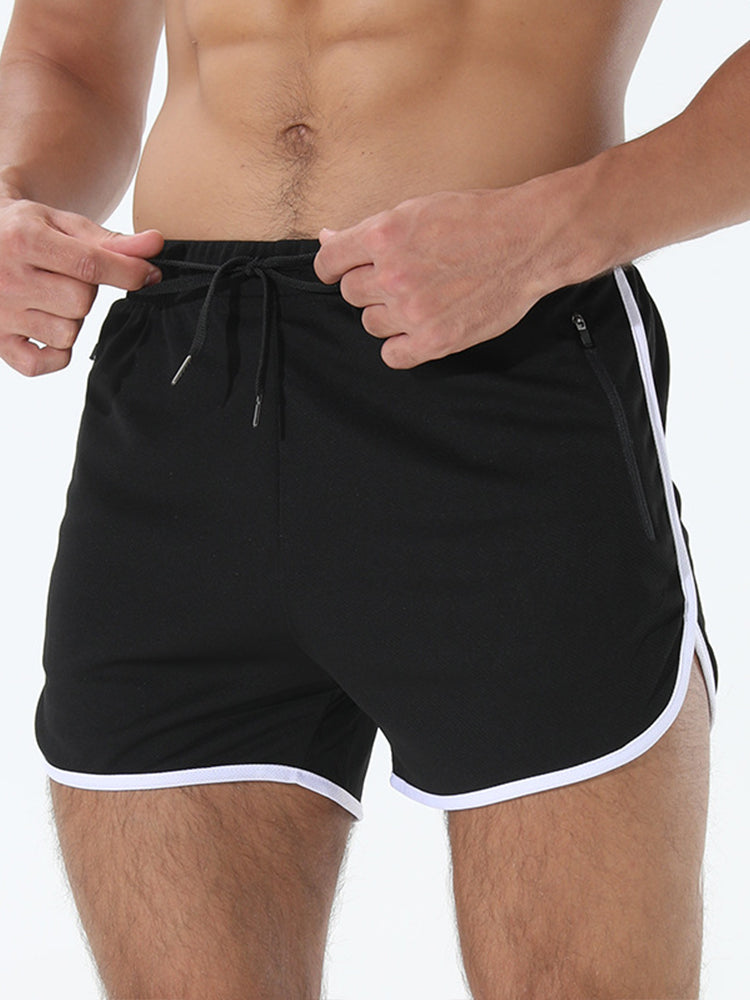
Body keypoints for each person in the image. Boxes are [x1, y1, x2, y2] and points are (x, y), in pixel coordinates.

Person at [0, 1, 746, 997]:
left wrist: (556, 231)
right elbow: (68, 47)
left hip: (496, 362)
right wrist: (13, 198)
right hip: (178, 382)